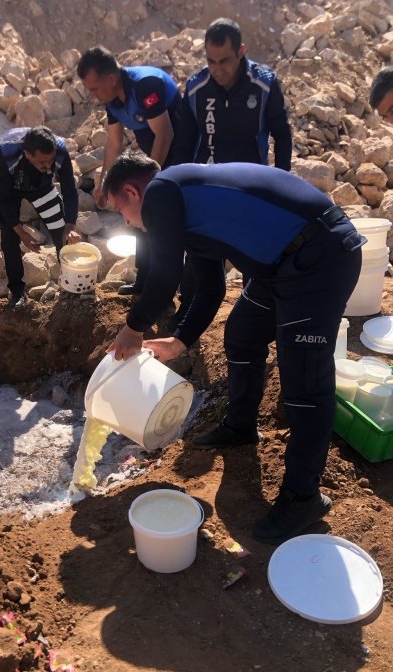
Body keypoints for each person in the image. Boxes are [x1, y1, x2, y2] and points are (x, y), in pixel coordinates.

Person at [103, 151, 364, 543]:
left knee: (305, 385)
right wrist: (181, 340)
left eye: (121, 212)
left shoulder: (163, 190)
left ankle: (303, 497)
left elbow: (165, 274)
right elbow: (210, 288)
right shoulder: (188, 206)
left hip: (318, 258)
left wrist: (133, 327)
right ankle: (241, 425)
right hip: (280, 265)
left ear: (131, 191)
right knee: (242, 331)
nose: (126, 222)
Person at [171, 18, 292, 331]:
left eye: (224, 60)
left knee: (255, 256)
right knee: (198, 255)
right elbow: (183, 142)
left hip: (251, 189)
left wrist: (282, 183)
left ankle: (257, 319)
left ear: (241, 52)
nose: (218, 69)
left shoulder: (264, 84)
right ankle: (187, 314)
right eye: (211, 61)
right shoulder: (196, 88)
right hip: (206, 187)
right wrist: (176, 188)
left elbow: (282, 133)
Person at [76, 46, 182, 294]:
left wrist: (150, 184)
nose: (93, 95)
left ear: (111, 79)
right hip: (153, 154)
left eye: (94, 88)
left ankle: (169, 289)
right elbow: (114, 142)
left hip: (179, 153)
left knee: (164, 220)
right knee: (138, 215)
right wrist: (104, 184)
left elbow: (165, 134)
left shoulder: (144, 86)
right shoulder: (112, 100)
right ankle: (144, 279)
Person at [0, 125, 80, 308]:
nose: (48, 166)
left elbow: (70, 190)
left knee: (60, 229)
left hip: (41, 186)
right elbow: (2, 198)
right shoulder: (5, 155)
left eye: (50, 161)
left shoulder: (60, 151)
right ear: (27, 154)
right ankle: (17, 292)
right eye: (42, 162)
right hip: (11, 189)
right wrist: (21, 232)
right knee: (9, 236)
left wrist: (70, 226)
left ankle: (71, 284)